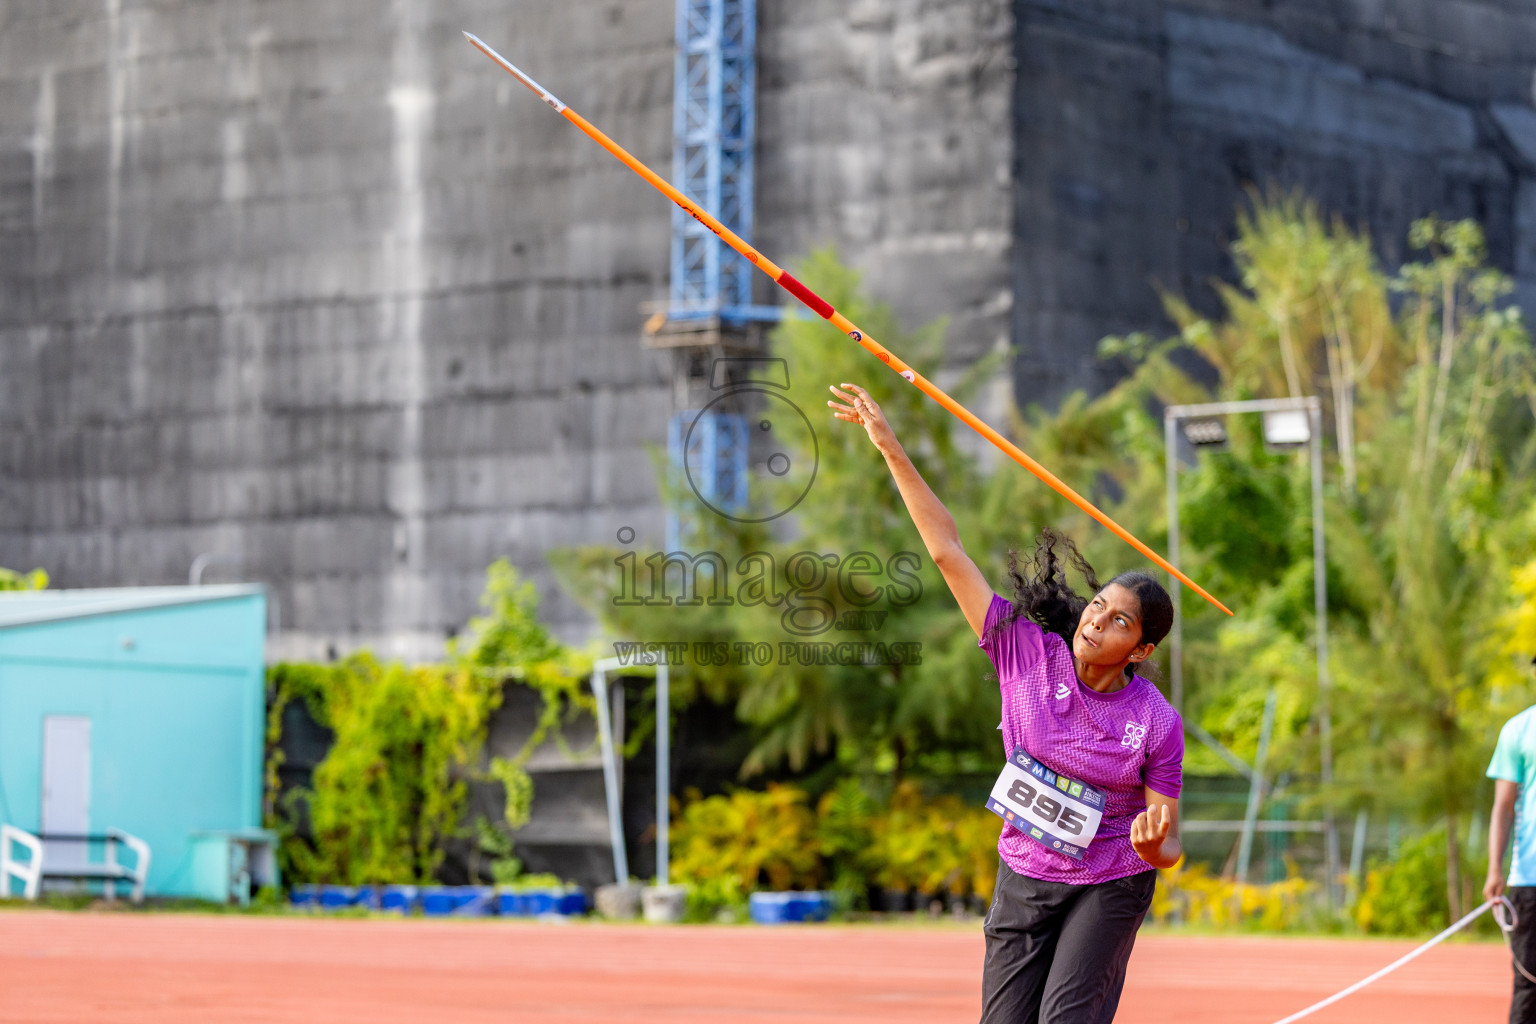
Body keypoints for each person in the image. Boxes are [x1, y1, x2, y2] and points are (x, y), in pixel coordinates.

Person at [828, 382, 1183, 1024]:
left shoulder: (1154, 722)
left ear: (1142, 651)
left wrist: (1155, 847)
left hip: (1110, 879)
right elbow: (946, 551)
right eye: (1098, 605)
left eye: (1122, 623)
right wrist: (889, 446)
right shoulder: (1023, 651)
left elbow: (1169, 843)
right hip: (1026, 869)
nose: (1099, 621)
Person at [1484, 654, 1536, 1024]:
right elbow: (1503, 806)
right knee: (1530, 986)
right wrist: (1493, 870)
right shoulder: (1518, 730)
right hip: (1529, 880)